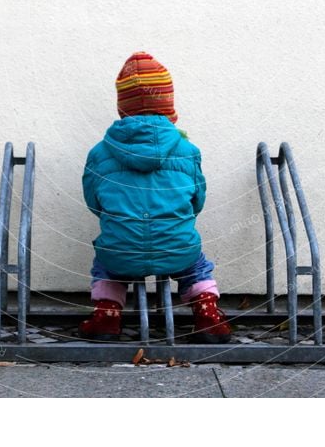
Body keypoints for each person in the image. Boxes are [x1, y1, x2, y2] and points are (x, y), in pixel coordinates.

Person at [79, 51, 231, 343]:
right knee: (196, 265)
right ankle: (208, 316)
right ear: (168, 105)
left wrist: (119, 218)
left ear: (123, 107)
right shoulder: (188, 151)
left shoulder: (99, 152)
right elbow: (197, 200)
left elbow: (93, 201)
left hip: (121, 249)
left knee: (106, 261)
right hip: (177, 247)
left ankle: (106, 317)